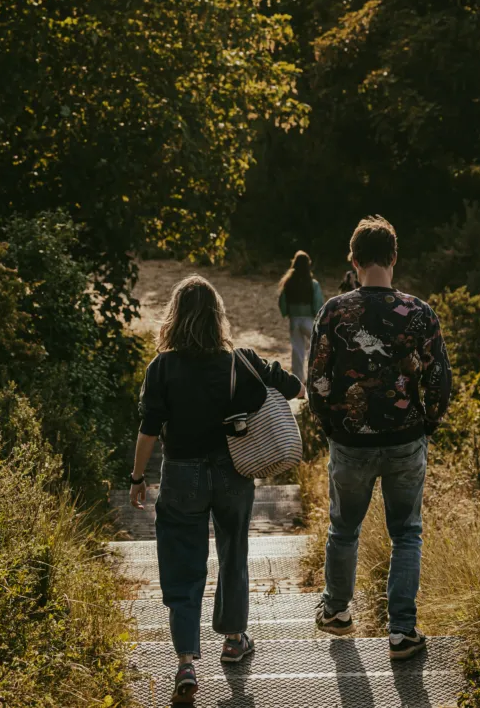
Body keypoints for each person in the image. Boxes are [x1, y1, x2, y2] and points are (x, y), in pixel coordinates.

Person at [130, 275, 304, 703]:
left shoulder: (162, 367)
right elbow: (292, 388)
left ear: (174, 317)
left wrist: (137, 478)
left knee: (183, 564)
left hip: (182, 475)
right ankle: (233, 639)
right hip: (232, 473)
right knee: (233, 553)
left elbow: (149, 428)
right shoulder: (237, 361)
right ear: (217, 317)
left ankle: (187, 662)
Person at [307, 215, 451, 660]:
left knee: (343, 529)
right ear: (394, 257)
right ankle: (402, 634)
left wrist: (332, 427)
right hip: (406, 439)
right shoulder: (420, 312)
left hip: (350, 442)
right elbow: (440, 379)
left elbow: (316, 381)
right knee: (406, 533)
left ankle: (336, 612)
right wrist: (427, 423)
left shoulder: (333, 311)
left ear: (353, 259)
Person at [278, 250, 324, 383]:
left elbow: (282, 302)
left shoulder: (288, 283)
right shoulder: (313, 284)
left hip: (294, 320)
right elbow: (318, 302)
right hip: (309, 319)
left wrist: (287, 313)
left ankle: (298, 381)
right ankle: (315, 377)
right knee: (316, 347)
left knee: (297, 351)